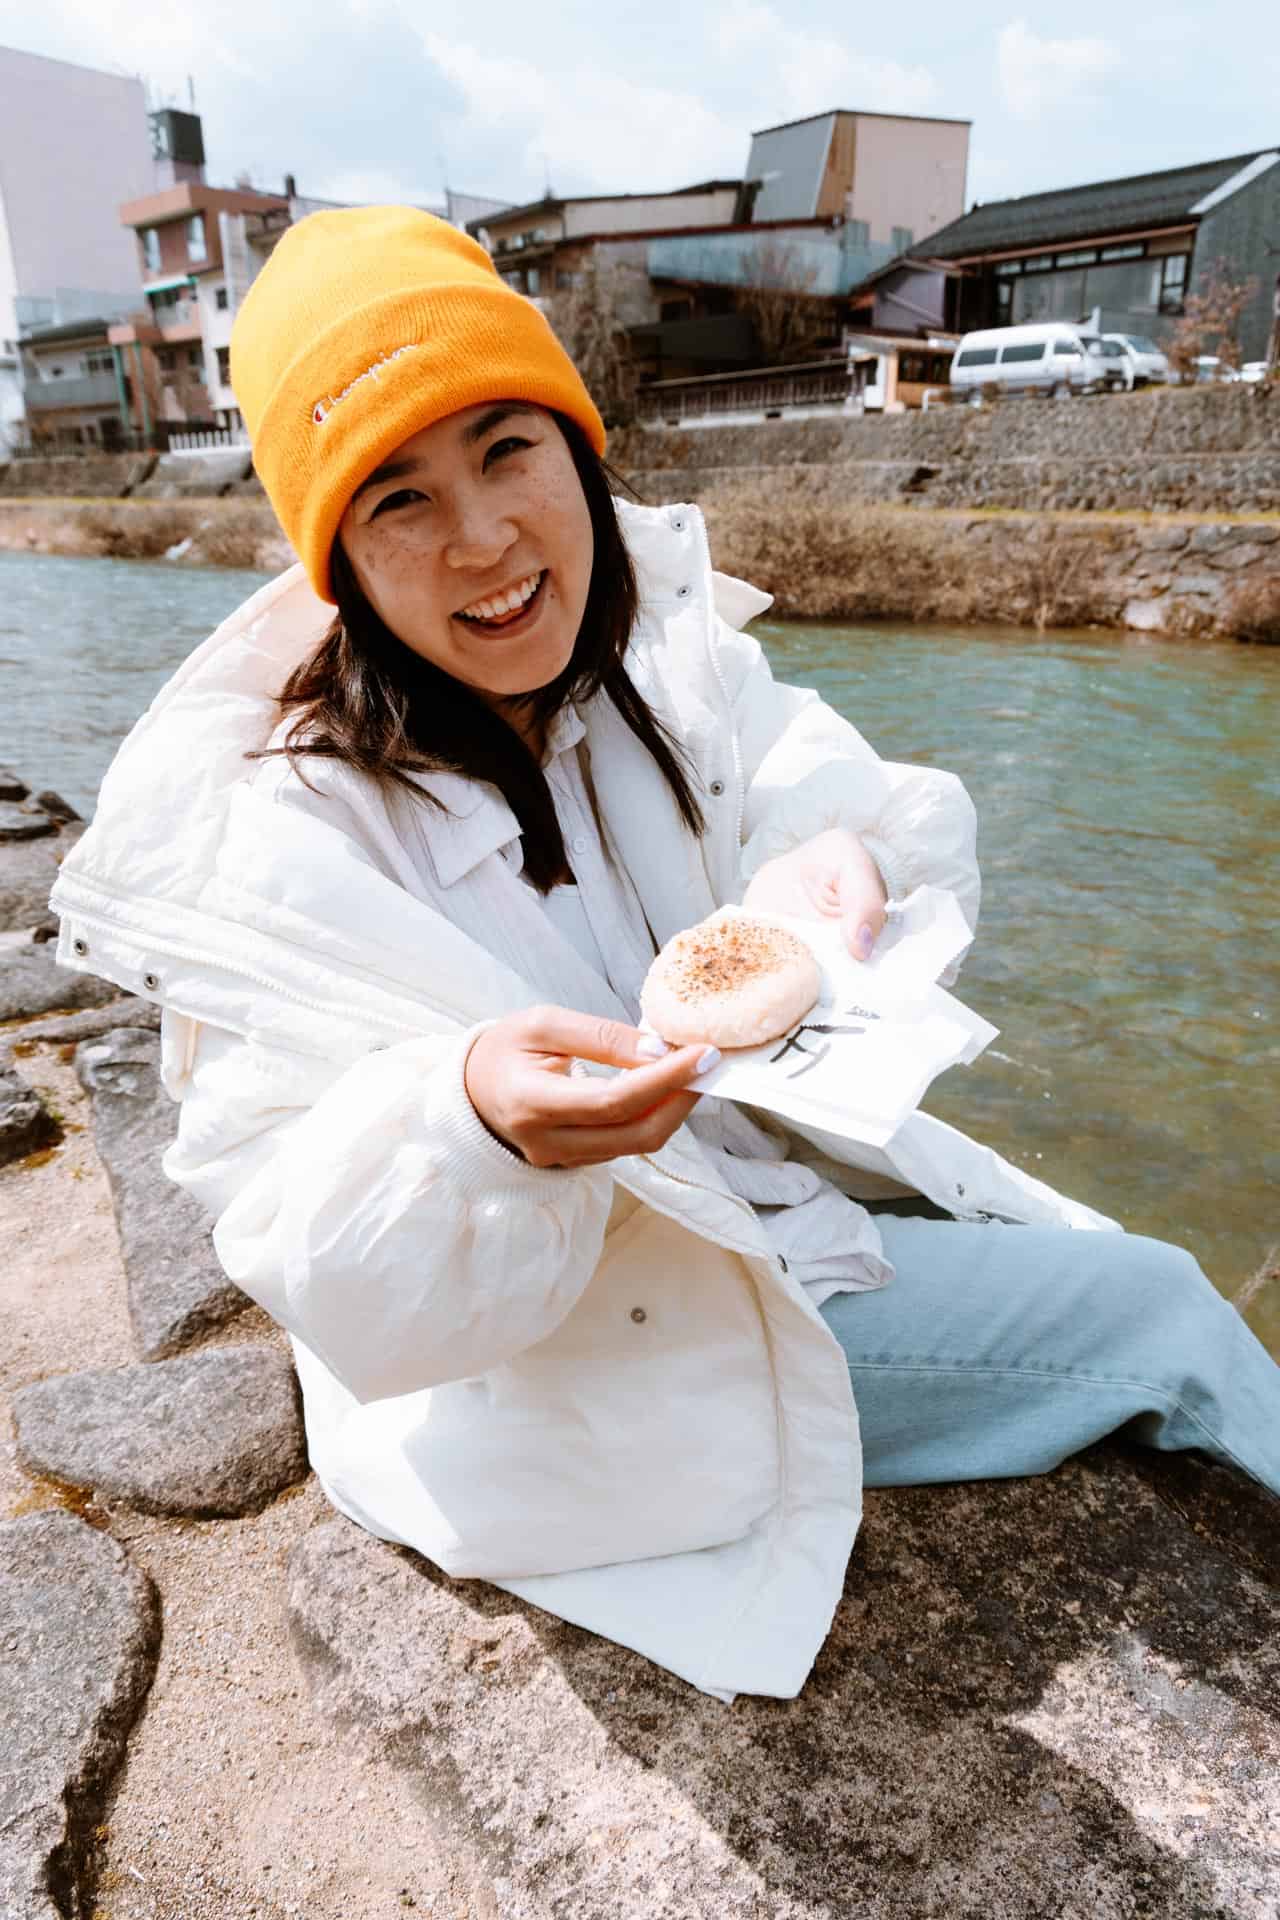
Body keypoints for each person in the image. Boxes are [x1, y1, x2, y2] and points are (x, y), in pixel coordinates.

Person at [51, 209, 1280, 1704]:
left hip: (764, 1207)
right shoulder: (278, 847)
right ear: (337, 566)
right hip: (585, 1357)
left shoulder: (657, 664)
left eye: (509, 448)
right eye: (397, 499)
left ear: (583, 452)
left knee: (1090, 1254)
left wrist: (842, 861)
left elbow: (822, 790)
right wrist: (472, 1123)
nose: (484, 538)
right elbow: (301, 1249)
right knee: (1161, 1312)